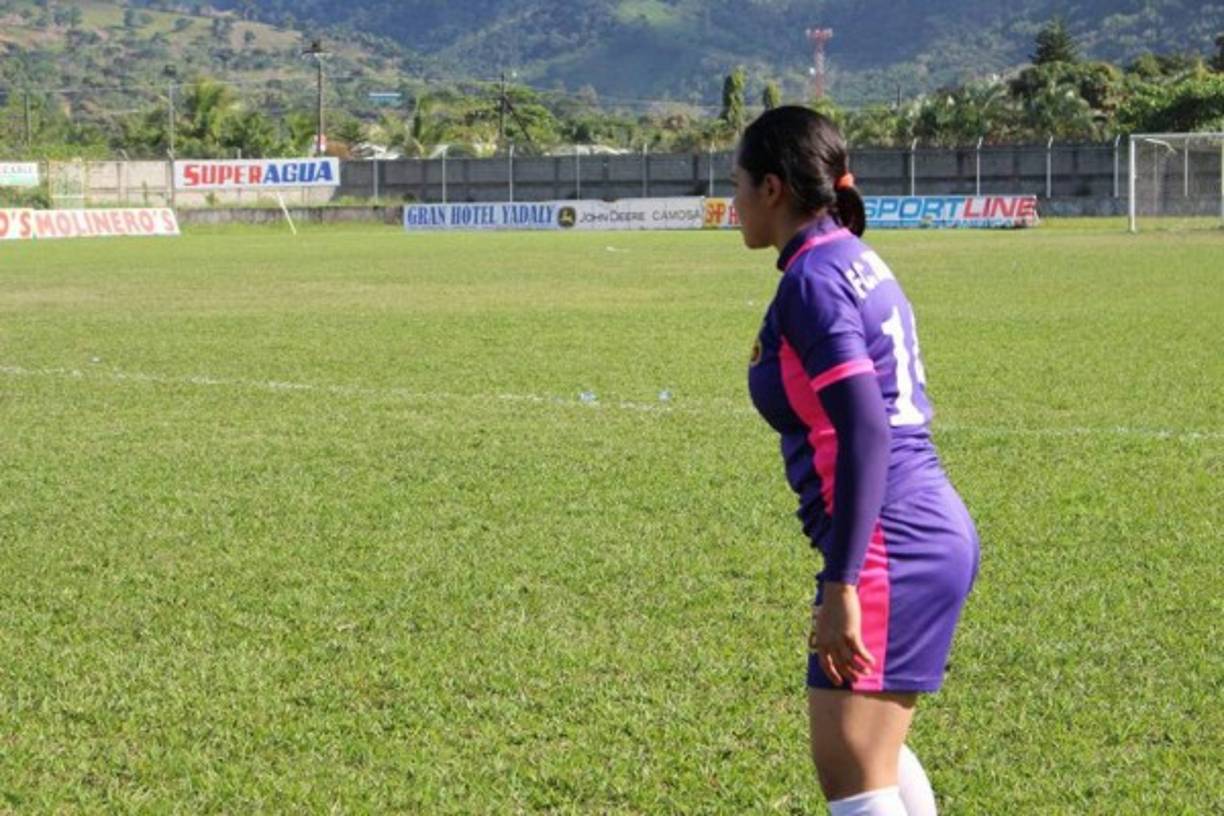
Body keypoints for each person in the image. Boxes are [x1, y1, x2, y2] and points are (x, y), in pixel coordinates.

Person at [733, 106, 980, 816]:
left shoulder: (812, 280)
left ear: (774, 189)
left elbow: (866, 430)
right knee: (876, 754)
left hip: (889, 540)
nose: (733, 203)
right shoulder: (850, 255)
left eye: (739, 184)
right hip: (920, 525)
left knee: (852, 770)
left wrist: (842, 584)